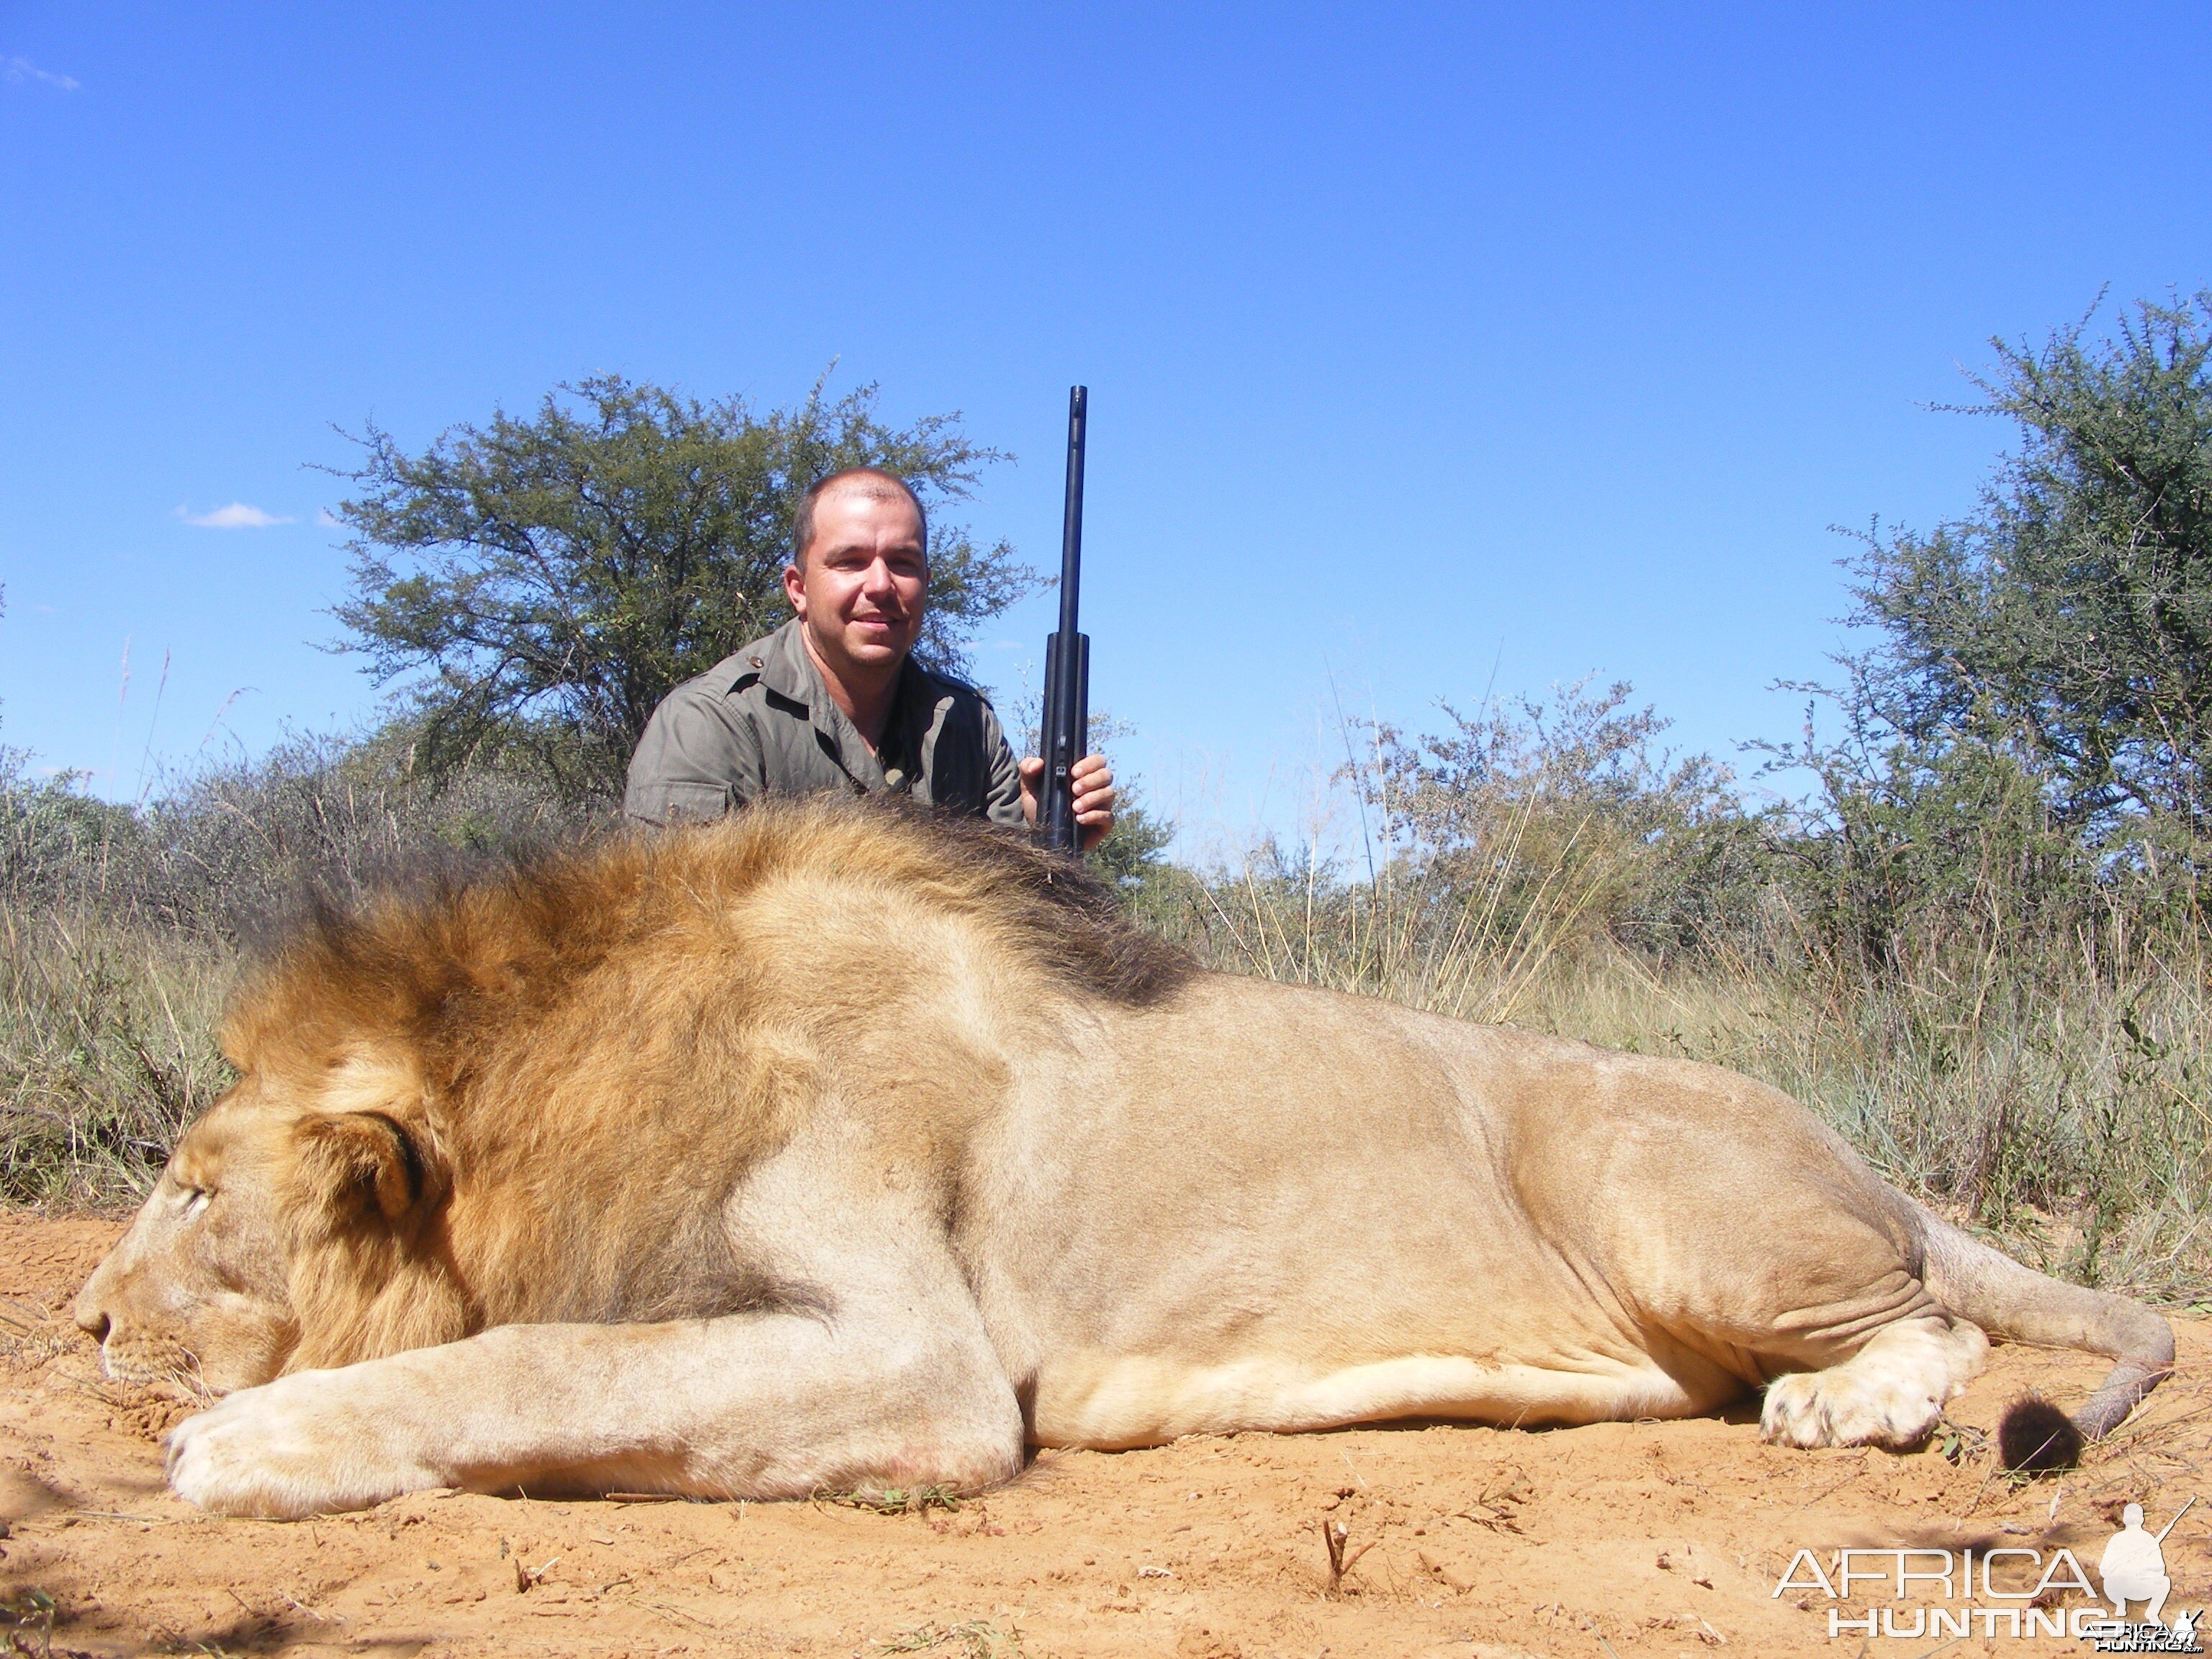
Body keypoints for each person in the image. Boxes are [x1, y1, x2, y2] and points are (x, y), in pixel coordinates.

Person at [624, 466, 1115, 846]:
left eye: (902, 563)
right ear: (798, 589)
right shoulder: (709, 724)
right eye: (850, 562)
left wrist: (1043, 839)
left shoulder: (969, 725)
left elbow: (1015, 922)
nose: (880, 585)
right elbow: (677, 938)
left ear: (926, 583)